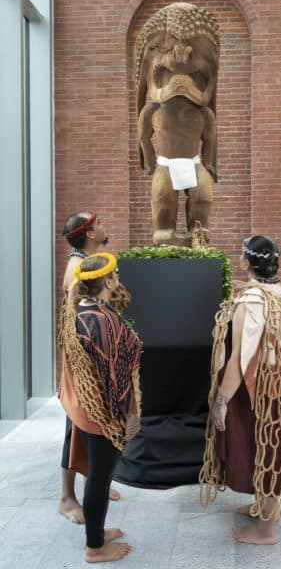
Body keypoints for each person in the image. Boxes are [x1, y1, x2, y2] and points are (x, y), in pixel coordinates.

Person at [200, 236, 281, 545]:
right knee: (268, 446)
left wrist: (221, 401)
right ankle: (263, 505)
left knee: (266, 447)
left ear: (246, 263)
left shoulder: (250, 301)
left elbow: (239, 360)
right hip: (277, 386)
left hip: (255, 391)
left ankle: (266, 529)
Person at [59, 253, 142, 563]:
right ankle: (95, 547)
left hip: (85, 406)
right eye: (115, 276)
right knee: (99, 477)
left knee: (98, 474)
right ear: (108, 282)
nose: (118, 280)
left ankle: (97, 531)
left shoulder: (81, 311)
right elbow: (113, 373)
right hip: (102, 414)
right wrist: (127, 414)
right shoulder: (101, 319)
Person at [58, 211, 121, 524]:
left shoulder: (86, 261)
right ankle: (67, 499)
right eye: (100, 223)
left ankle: (95, 484)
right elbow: (75, 321)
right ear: (91, 234)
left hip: (89, 358)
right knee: (77, 425)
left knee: (92, 424)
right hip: (82, 362)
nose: (104, 225)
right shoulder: (77, 267)